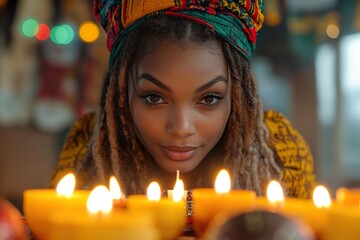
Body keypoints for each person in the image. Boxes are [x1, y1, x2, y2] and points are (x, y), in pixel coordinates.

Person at [50, 0, 316, 199]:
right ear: (121, 93)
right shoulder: (88, 154)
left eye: (209, 98)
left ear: (238, 96)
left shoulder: (279, 157)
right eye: (154, 98)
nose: (181, 127)